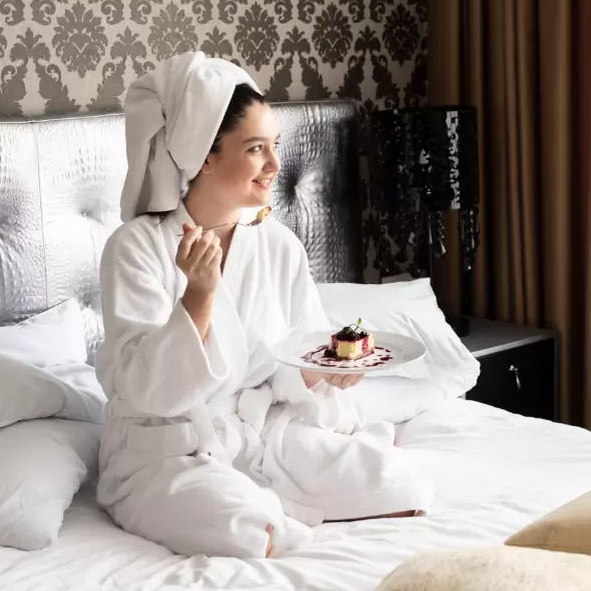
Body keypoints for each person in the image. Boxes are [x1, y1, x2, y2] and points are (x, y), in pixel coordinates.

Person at [94, 51, 432, 559]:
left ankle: (275, 494)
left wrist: (325, 374)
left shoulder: (278, 244)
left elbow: (296, 357)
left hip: (260, 433)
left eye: (276, 146)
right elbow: (147, 390)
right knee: (250, 529)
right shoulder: (135, 247)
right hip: (168, 453)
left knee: (403, 486)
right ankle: (267, 506)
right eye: (256, 149)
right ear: (205, 155)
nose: (275, 165)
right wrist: (198, 295)